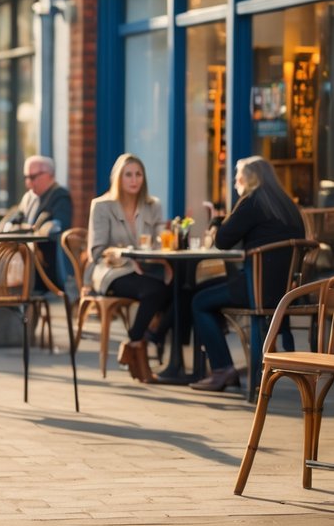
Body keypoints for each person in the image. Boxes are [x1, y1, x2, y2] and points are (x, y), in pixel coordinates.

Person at [189, 156, 306, 392]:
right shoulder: (288, 205)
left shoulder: (253, 201)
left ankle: (222, 369)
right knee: (204, 291)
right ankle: (222, 359)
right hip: (285, 293)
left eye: (236, 177)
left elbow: (222, 241)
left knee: (199, 301)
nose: (234, 182)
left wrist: (215, 222)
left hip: (257, 289)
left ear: (245, 178)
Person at [85, 153, 171, 383]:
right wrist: (128, 259)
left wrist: (165, 258)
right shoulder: (102, 206)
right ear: (118, 178)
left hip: (147, 269)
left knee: (179, 291)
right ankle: (140, 345)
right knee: (156, 291)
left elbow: (159, 242)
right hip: (112, 272)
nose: (134, 180)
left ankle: (136, 342)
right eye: (128, 175)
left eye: (138, 174)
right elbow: (97, 250)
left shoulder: (153, 205)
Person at [1, 154, 73, 289]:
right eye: (26, 177)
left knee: (3, 272)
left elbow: (58, 227)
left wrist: (39, 228)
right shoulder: (29, 197)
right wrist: (12, 224)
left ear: (49, 174)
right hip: (23, 260)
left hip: (45, 267)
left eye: (32, 177)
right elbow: (14, 220)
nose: (28, 182)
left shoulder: (60, 196)